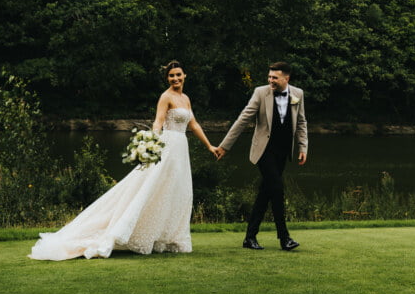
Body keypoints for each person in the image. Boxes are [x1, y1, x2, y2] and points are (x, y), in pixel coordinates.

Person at [29, 61, 219, 260]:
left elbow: (194, 124)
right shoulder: (166, 97)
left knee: (176, 191)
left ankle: (167, 238)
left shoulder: (185, 98)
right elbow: (158, 121)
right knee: (152, 188)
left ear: (185, 75)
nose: (175, 78)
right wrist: (151, 142)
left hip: (182, 148)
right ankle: (128, 231)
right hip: (168, 146)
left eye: (178, 75)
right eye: (171, 76)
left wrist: (209, 146)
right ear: (167, 79)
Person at [215, 61, 308, 250]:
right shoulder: (260, 93)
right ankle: (284, 238)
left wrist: (302, 147)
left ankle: (250, 238)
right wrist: (225, 146)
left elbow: (301, 122)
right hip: (264, 151)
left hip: (283, 152)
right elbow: (243, 119)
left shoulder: (298, 94)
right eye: (269, 77)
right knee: (277, 189)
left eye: (275, 77)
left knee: (266, 193)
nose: (270, 80)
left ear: (286, 78)